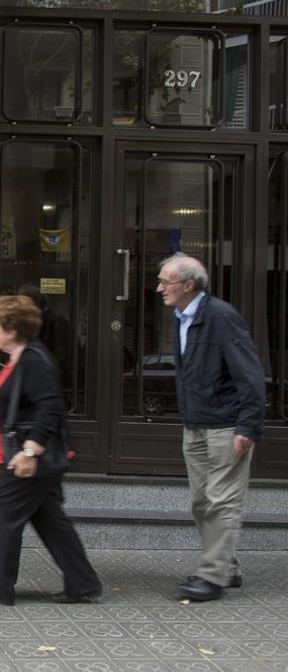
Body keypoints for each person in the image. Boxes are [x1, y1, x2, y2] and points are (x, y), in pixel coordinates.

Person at [0, 295, 101, 606]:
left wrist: (30, 452)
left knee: (1, 515)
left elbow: (51, 406)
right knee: (50, 520)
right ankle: (82, 582)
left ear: (12, 330)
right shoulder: (22, 356)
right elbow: (16, 401)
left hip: (30, 459)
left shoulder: (33, 361)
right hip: (32, 456)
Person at [156, 253, 265, 602]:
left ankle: (211, 576)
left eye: (165, 282)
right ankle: (226, 566)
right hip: (196, 425)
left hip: (226, 426)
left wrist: (247, 425)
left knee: (221, 501)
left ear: (188, 285)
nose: (159, 288)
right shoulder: (182, 318)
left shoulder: (221, 317)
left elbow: (249, 374)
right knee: (202, 502)